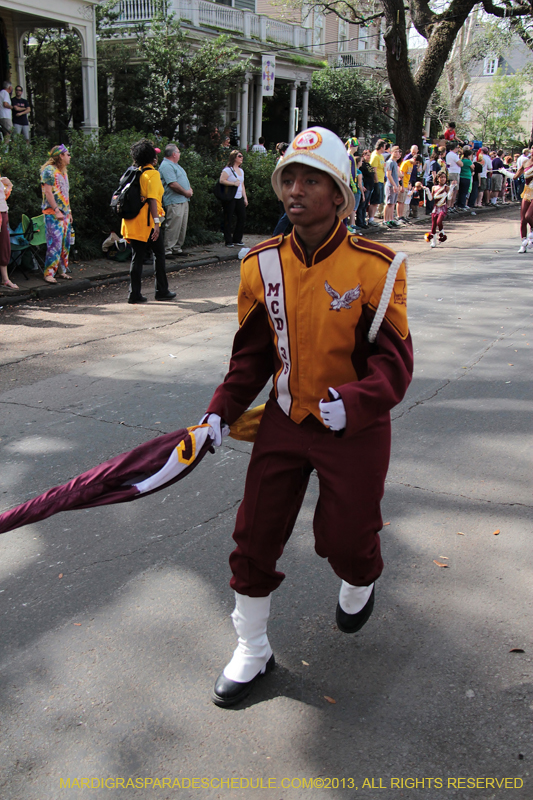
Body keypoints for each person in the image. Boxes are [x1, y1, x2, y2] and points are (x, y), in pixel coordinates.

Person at [201, 126, 413, 707]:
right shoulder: (260, 264)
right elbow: (249, 360)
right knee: (254, 534)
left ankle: (360, 576)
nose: (295, 190)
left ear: (340, 196)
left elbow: (395, 365)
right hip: (285, 420)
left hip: (355, 427)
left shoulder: (378, 267)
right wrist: (218, 416)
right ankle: (252, 649)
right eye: (288, 178)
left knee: (345, 542)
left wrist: (356, 403)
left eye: (311, 180)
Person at [121, 138, 176, 304]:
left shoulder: (133, 172)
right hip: (149, 223)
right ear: (153, 158)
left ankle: (134, 294)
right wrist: (157, 224)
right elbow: (153, 200)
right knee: (159, 255)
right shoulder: (152, 174)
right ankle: (162, 290)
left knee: (136, 257)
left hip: (132, 222)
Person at [40, 144, 74, 285]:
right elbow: (48, 192)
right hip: (53, 214)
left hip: (64, 213)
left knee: (65, 243)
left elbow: (66, 194)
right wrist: (56, 210)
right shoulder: (49, 171)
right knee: (54, 243)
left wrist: (69, 211)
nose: (69, 156)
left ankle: (61, 271)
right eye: (67, 154)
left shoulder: (63, 172)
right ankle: (49, 273)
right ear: (61, 155)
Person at [159, 143, 193, 258]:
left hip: (183, 199)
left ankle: (177, 248)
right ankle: (168, 249)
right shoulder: (166, 166)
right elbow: (172, 184)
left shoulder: (176, 165)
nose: (179, 154)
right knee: (173, 225)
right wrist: (185, 191)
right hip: (174, 200)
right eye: (178, 152)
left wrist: (189, 190)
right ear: (174, 154)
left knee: (182, 225)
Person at [219, 150, 248, 248]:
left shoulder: (241, 171)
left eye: (242, 156)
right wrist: (233, 184)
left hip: (239, 196)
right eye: (239, 156)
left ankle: (237, 239)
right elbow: (222, 180)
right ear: (234, 157)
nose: (241, 158)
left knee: (242, 216)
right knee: (228, 217)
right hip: (230, 196)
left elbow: (242, 184)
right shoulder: (228, 170)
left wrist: (245, 198)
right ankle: (228, 240)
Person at [424, 170, 456, 248]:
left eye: (444, 177)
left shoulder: (446, 187)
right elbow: (431, 198)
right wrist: (427, 190)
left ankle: (442, 234)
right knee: (433, 225)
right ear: (437, 178)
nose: (443, 179)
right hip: (435, 208)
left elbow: (449, 197)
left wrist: (452, 188)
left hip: (443, 207)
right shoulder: (434, 187)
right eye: (441, 177)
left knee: (439, 221)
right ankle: (433, 242)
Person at [0, 169, 16, 288]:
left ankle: (5, 279)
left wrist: (9, 185)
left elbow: (3, 197)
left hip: (3, 213)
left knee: (4, 245)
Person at [514, 153, 533, 253]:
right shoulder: (525, 162)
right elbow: (515, 176)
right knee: (523, 220)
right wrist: (503, 171)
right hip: (527, 193)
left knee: (528, 216)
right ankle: (523, 243)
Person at [368, 139, 386, 226]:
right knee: (374, 201)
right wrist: (376, 181)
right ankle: (371, 219)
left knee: (378, 201)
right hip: (377, 181)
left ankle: (372, 218)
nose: (385, 149)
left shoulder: (381, 156)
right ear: (381, 147)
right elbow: (373, 170)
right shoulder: (375, 156)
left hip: (381, 180)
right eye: (384, 147)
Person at [384, 144, 401, 228]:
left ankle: (391, 219)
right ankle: (385, 220)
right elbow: (389, 175)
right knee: (389, 203)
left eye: (398, 152)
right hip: (390, 185)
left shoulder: (395, 162)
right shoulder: (390, 162)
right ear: (391, 152)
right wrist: (394, 185)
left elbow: (396, 174)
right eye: (395, 152)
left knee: (393, 203)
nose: (397, 154)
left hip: (395, 185)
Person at [356, 149, 374, 229]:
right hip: (365, 187)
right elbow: (361, 177)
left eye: (370, 155)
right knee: (362, 205)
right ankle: (360, 222)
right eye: (367, 155)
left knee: (366, 205)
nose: (369, 157)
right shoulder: (362, 166)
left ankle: (363, 221)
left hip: (370, 187)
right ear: (363, 156)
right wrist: (363, 186)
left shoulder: (368, 164)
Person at [445, 143, 462, 211]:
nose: (458, 149)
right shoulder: (454, 155)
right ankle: (451, 205)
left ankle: (450, 205)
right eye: (457, 147)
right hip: (455, 173)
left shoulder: (448, 154)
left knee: (451, 189)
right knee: (454, 190)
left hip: (450, 172)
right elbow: (461, 164)